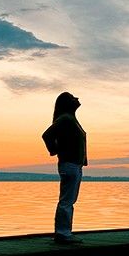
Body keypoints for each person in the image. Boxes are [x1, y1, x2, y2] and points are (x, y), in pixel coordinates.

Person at [42, 92, 87, 244]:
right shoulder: (66, 119)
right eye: (73, 97)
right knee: (67, 200)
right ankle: (63, 234)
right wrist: (54, 150)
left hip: (74, 164)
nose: (77, 98)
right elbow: (46, 135)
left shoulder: (70, 119)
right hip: (69, 164)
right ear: (67, 103)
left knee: (68, 200)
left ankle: (64, 233)